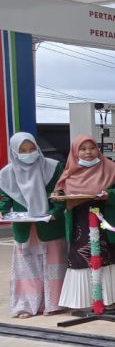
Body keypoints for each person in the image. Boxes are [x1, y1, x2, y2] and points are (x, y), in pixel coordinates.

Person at [55, 135, 115, 311]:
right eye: (83, 149)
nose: (88, 152)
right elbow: (59, 197)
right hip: (80, 224)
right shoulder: (69, 173)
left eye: (92, 148)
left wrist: (109, 195)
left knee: (109, 259)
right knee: (83, 259)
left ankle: (111, 299)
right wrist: (58, 198)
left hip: (108, 221)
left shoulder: (111, 169)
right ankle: (86, 300)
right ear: (75, 152)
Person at [0, 133, 67, 318]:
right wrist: (2, 209)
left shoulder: (53, 168)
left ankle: (55, 304)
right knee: (27, 268)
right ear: (14, 152)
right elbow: (7, 197)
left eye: (31, 149)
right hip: (25, 227)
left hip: (50, 225)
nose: (28, 153)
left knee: (54, 265)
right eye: (22, 151)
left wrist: (55, 212)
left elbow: (61, 194)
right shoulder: (7, 173)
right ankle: (27, 306)